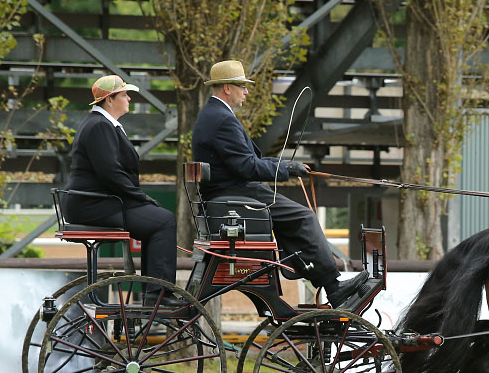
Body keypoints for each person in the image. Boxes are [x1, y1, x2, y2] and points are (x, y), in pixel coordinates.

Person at [191, 60, 367, 307]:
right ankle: (332, 285)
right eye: (242, 86)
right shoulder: (222, 119)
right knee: (303, 217)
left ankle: (309, 269)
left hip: (232, 192)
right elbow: (247, 167)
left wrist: (285, 165)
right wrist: (284, 169)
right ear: (227, 88)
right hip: (236, 194)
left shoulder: (213, 115)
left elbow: (249, 160)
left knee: (292, 218)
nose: (247, 92)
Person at [64, 74, 180, 307]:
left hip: (101, 202)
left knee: (159, 220)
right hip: (94, 205)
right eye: (125, 94)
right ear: (109, 100)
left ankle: (154, 291)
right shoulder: (99, 126)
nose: (129, 98)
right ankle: (158, 295)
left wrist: (140, 200)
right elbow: (111, 173)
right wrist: (141, 198)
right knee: (164, 221)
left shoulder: (104, 125)